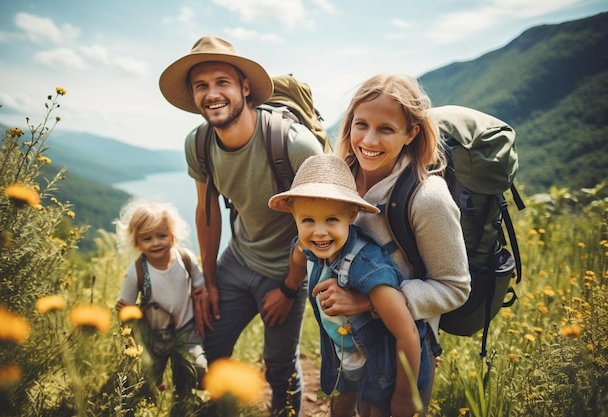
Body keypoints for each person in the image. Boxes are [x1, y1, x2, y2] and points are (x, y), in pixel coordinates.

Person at [158, 36, 324, 416]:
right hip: (239, 260)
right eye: (201, 85)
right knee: (204, 348)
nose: (212, 94)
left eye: (222, 82)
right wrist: (209, 280)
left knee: (279, 367)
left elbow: (322, 224)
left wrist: (288, 286)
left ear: (244, 88)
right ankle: (224, 407)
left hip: (289, 266)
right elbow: (207, 211)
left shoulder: (294, 145)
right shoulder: (199, 143)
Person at [313, 74, 471, 415]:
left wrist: (370, 301)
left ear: (411, 134)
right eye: (361, 124)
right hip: (347, 343)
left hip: (404, 350)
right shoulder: (337, 179)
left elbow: (455, 286)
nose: (369, 139)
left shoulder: (427, 198)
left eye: (386, 128)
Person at [269, 154, 429, 417]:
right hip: (343, 356)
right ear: (294, 217)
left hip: (385, 369)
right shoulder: (307, 245)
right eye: (308, 220)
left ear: (351, 215)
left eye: (331, 220)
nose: (319, 232)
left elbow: (407, 333)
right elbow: (298, 256)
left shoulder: (365, 265)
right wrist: (289, 287)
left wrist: (404, 393)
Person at [114, 199, 209, 412]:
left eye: (162, 235)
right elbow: (126, 307)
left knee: (197, 369)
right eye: (147, 238)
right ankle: (133, 407)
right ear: (136, 242)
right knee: (144, 378)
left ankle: (183, 401)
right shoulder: (136, 272)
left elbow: (199, 282)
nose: (156, 242)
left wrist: (201, 292)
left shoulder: (185, 259)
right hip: (153, 335)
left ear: (173, 236)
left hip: (186, 328)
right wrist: (126, 313)